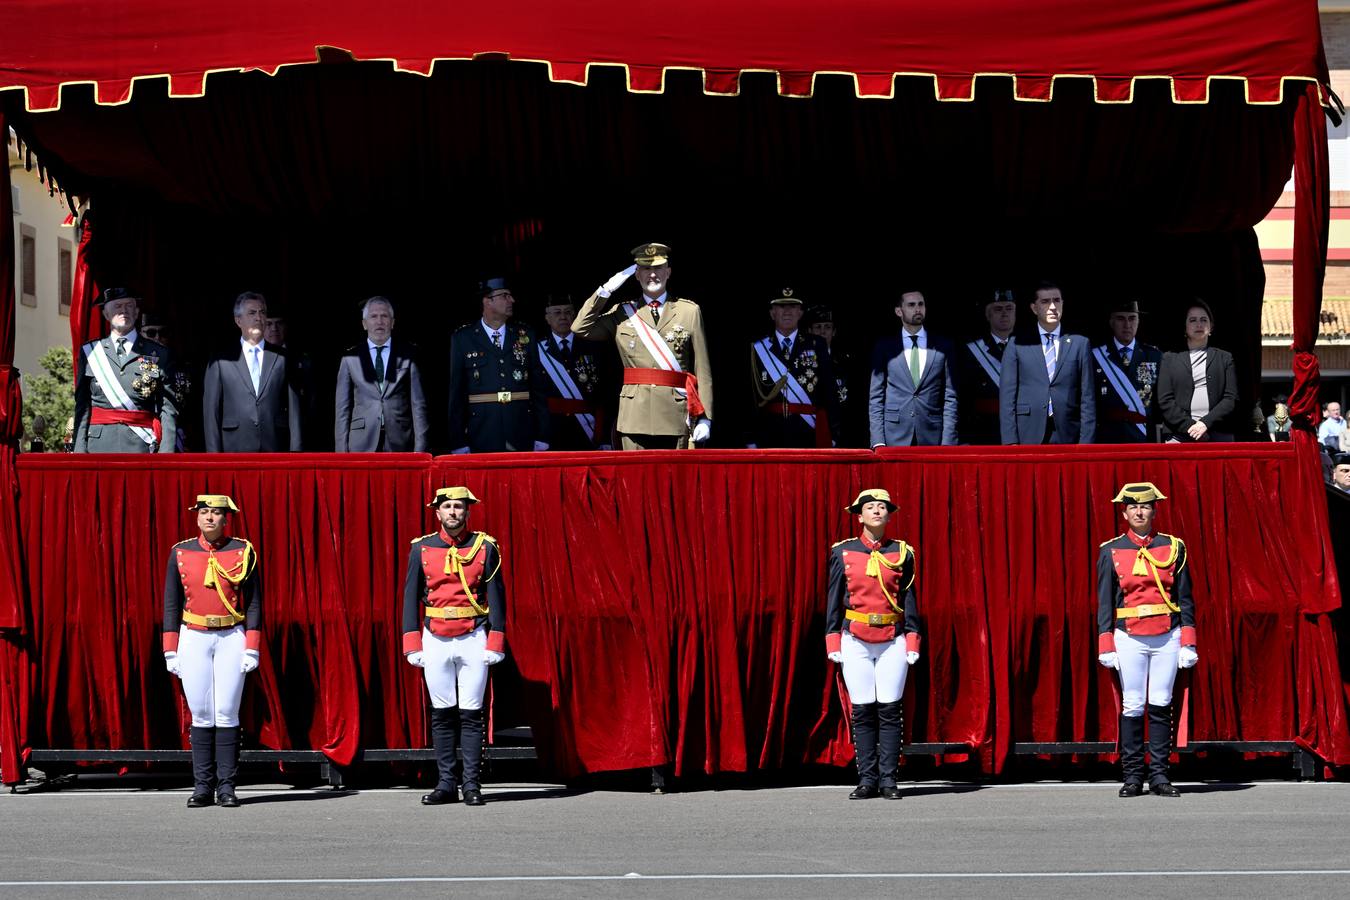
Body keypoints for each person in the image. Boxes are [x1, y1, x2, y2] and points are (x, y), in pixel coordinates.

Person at [402, 486, 507, 807]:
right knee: (442, 714)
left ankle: (472, 785)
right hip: (434, 637)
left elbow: (497, 597)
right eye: (447, 507)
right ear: (437, 513)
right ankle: (446, 783)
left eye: (458, 507)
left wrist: (496, 641)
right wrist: (411, 642)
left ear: (467, 512)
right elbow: (409, 596)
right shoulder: (421, 549)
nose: (452, 513)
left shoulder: (485, 547)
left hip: (473, 637)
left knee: (471, 714)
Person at [1096, 482, 1196, 798]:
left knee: (1161, 704)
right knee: (1133, 705)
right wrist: (1106, 641)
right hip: (1129, 637)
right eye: (1133, 507)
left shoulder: (1174, 546)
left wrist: (1188, 640)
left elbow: (1186, 597)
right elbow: (1104, 601)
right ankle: (1133, 776)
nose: (1140, 511)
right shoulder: (1110, 550)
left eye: (1145, 506)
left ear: (1154, 511)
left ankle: (1161, 776)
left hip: (1167, 634)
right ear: (1124, 512)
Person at [162, 494, 262, 808]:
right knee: (202, 715)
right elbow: (171, 603)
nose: (209, 518)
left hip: (231, 635)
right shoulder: (181, 551)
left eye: (216, 513)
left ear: (226, 518)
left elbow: (255, 602)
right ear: (196, 517)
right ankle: (202, 787)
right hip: (193, 635)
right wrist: (170, 649)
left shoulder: (242, 551)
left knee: (227, 713)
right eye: (204, 512)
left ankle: (228, 787)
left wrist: (252, 647)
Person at [825, 489, 921, 800]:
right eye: (870, 507)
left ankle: (889, 781)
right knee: (863, 710)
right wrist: (832, 638)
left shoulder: (903, 552)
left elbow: (909, 599)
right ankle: (866, 779)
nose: (877, 511)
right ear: (859, 514)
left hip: (892, 639)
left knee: (891, 710)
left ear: (889, 515)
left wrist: (912, 637)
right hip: (855, 638)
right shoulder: (843, 552)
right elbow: (833, 599)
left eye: (882, 507)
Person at [572, 243, 714, 450]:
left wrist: (705, 418)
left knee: (676, 481)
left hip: (676, 414)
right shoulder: (622, 313)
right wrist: (605, 290)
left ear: (668, 272)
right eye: (646, 268)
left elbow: (703, 370)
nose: (653, 274)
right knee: (637, 481)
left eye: (658, 268)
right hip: (634, 417)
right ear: (636, 274)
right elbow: (580, 327)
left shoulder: (688, 311)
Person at [447, 277, 550, 454]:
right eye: (505, 296)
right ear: (487, 301)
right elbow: (456, 392)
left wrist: (542, 435)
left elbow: (538, 389)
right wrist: (458, 440)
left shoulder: (525, 335)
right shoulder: (463, 338)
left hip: (521, 427)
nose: (512, 300)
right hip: (481, 430)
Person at [73, 287, 178, 453]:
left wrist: (165, 454)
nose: (124, 310)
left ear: (136, 312)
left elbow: (168, 408)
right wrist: (79, 450)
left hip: (141, 446)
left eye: (129, 305)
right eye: (117, 306)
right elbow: (82, 406)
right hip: (98, 447)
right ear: (106, 314)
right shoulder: (91, 352)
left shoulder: (159, 353)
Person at [202, 292, 304, 452]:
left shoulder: (283, 358)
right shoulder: (221, 361)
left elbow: (294, 410)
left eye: (262, 312)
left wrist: (295, 452)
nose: (259, 317)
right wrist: (214, 457)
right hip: (234, 447)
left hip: (276, 447)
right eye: (252, 313)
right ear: (238, 320)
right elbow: (211, 414)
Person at [999, 281, 1096, 444]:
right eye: (1045, 302)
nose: (1053, 307)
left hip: (1069, 433)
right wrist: (1010, 441)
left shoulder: (1079, 343)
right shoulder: (1017, 343)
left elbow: (1088, 398)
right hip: (1027, 432)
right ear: (1034, 308)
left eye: (1057, 300)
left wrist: (1086, 443)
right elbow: (1007, 397)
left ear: (1063, 304)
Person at [335, 296, 429, 452]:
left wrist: (420, 450)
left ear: (392, 322)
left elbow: (418, 406)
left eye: (384, 316)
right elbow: (342, 409)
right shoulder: (350, 358)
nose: (379, 322)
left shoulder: (408, 354)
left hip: (400, 441)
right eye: (373, 316)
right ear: (364, 324)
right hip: (361, 443)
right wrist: (341, 451)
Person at [749, 290, 840, 447]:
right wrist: (750, 437)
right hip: (769, 433)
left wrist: (833, 433)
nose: (787, 311)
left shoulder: (817, 344)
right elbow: (749, 397)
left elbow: (829, 392)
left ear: (800, 313)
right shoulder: (758, 348)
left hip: (808, 432)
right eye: (781, 306)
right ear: (772, 313)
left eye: (792, 306)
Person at [868, 290, 958, 447]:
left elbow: (951, 396)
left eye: (921, 304)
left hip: (932, 435)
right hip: (894, 436)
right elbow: (876, 396)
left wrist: (948, 442)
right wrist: (877, 441)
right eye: (911, 305)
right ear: (898, 311)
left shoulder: (943, 345)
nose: (918, 309)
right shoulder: (885, 346)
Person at [1157, 300, 1237, 442]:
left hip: (1218, 432)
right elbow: (1165, 400)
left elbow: (1230, 399)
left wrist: (1205, 423)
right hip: (1179, 433)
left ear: (1211, 327)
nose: (1199, 324)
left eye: (1204, 320)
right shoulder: (1169, 358)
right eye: (1193, 320)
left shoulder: (1225, 358)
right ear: (1185, 327)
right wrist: (1192, 427)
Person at [538, 295, 611, 450]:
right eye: (557, 313)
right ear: (547, 318)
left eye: (568, 312)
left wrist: (604, 437)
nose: (563, 317)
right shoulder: (537, 350)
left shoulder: (594, 347)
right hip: (552, 433)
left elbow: (606, 394)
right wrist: (540, 436)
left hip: (588, 432)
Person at [1092, 299, 1162, 443]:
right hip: (1107, 437)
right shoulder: (1095, 356)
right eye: (1120, 319)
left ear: (1138, 321)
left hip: (1143, 436)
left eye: (1132, 318)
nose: (1127, 325)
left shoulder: (1153, 355)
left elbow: (1160, 401)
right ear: (1111, 322)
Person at [955, 289, 1016, 445]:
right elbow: (963, 398)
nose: (1004, 314)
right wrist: (964, 437)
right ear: (988, 315)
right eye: (998, 309)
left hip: (1020, 431)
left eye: (1009, 308)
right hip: (983, 433)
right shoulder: (971, 352)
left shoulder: (1027, 348)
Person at [806, 303, 865, 447]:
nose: (822, 332)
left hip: (843, 431)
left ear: (834, 331)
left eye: (827, 327)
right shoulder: (801, 362)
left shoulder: (847, 361)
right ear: (809, 331)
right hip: (810, 429)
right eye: (818, 327)